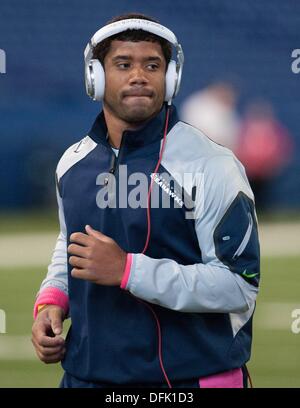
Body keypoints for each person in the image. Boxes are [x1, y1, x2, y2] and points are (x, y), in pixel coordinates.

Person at [31, 13, 260, 388]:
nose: (139, 75)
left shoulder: (212, 164)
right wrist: (53, 300)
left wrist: (128, 270)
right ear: (96, 77)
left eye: (152, 65)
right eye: (123, 64)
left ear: (170, 79)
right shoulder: (72, 164)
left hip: (188, 381)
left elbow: (238, 285)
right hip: (85, 378)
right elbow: (70, 243)